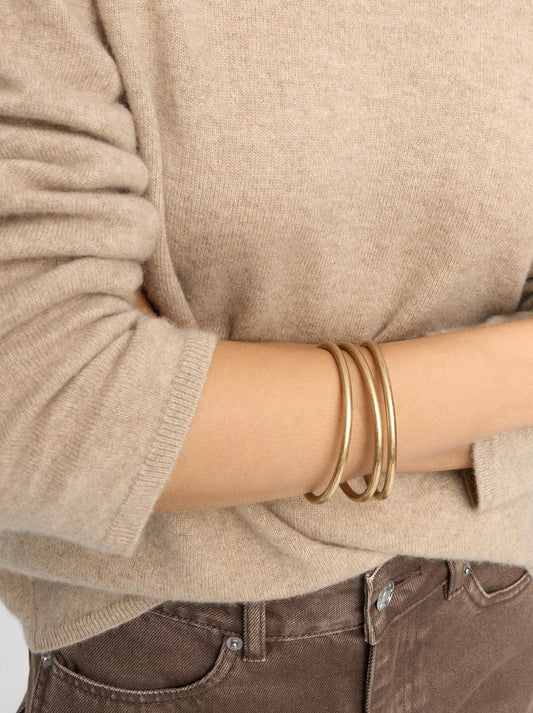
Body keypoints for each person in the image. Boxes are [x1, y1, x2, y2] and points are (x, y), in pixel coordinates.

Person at [1, 1, 532, 711]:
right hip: (177, 643)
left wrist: (216, 413)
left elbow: (102, 411)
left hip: (498, 604)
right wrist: (501, 385)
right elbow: (47, 402)